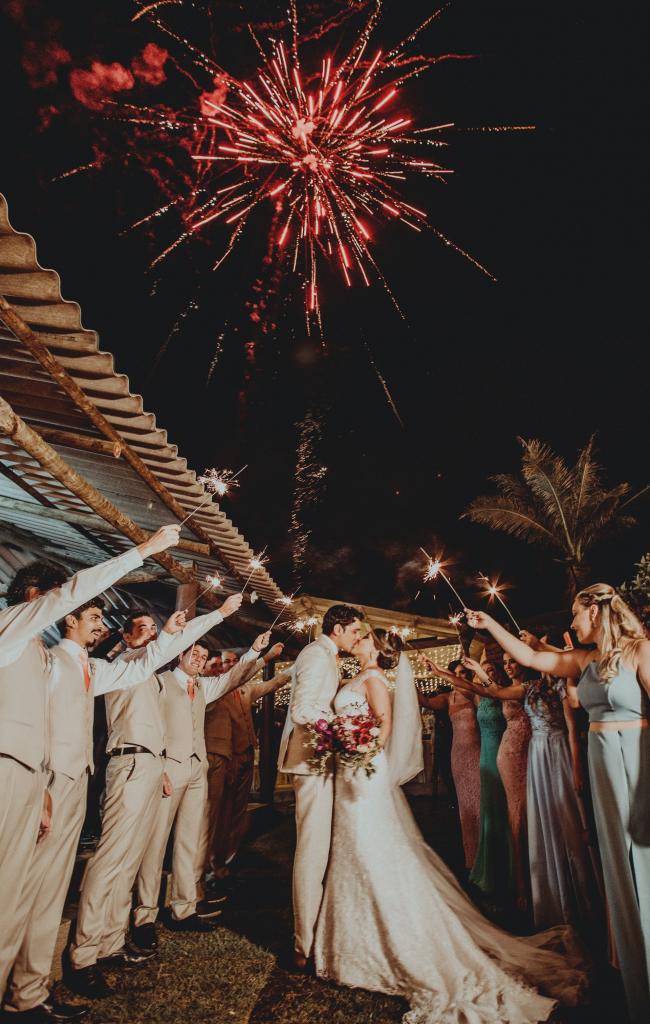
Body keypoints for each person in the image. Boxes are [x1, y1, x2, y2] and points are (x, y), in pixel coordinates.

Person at [313, 629, 588, 1024]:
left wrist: (360, 750)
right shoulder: (356, 675)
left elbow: (384, 725)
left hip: (363, 771)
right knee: (358, 848)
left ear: (373, 647)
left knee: (372, 848)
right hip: (354, 772)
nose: (358, 637)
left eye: (363, 635)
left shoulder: (373, 679)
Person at [0, 524, 181, 1000]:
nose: (87, 616)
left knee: (40, 893)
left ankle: (29, 993)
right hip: (19, 773)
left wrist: (176, 635)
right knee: (10, 893)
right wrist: (142, 551)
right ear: (38, 597)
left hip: (52, 780)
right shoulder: (15, 633)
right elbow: (78, 591)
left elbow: (136, 667)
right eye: (59, 598)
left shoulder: (51, 656)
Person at [466, 585, 650, 1023]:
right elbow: (533, 660)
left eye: (576, 614)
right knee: (618, 868)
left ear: (597, 611)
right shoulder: (585, 660)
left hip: (638, 764)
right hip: (603, 765)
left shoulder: (642, 650)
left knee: (643, 857)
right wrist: (490, 623)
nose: (571, 623)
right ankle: (634, 971)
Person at [66, 591, 243, 999]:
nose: (150, 637)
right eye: (141, 631)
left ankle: (110, 943)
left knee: (129, 861)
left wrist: (163, 766)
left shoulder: (149, 676)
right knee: (110, 860)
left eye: (152, 630)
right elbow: (167, 648)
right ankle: (83, 954)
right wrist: (216, 614)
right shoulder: (125, 666)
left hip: (151, 766)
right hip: (127, 765)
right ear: (127, 639)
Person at [131, 632, 282, 949]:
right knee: (156, 844)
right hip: (169, 769)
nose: (199, 659)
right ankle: (144, 915)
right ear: (179, 656)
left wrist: (254, 650)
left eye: (202, 655)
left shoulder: (204, 687)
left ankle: (183, 908)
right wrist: (158, 768)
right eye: (194, 654)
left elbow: (234, 677)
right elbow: (151, 725)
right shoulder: (161, 683)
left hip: (198, 770)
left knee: (192, 840)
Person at [460, 652, 598, 934]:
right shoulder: (529, 688)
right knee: (531, 817)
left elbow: (572, 728)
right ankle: (536, 887)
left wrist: (576, 768)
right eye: (508, 660)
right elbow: (492, 691)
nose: (511, 664)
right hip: (528, 754)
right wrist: (469, 672)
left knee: (564, 818)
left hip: (552, 752)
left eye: (516, 660)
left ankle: (576, 889)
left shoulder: (555, 686)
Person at [278, 603, 364, 970]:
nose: (358, 637)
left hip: (320, 761)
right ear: (339, 628)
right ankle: (305, 943)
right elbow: (301, 710)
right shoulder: (315, 655)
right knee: (311, 850)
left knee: (321, 848)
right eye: (356, 630)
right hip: (309, 763)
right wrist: (342, 728)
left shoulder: (327, 656)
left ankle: (315, 933)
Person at [204, 643, 291, 884]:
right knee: (219, 812)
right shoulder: (215, 689)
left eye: (233, 661)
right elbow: (243, 672)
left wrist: (296, 669)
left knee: (238, 813)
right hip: (225, 757)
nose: (230, 665)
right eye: (226, 662)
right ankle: (213, 862)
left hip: (245, 755)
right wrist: (267, 656)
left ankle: (229, 856)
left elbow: (272, 684)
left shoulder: (245, 691)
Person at [419, 660, 481, 872]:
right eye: (457, 673)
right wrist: (408, 681)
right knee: (464, 804)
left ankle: (487, 853)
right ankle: (471, 856)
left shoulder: (475, 694)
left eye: (464, 673)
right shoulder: (448, 698)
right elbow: (426, 702)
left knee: (480, 802)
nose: (461, 676)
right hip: (458, 754)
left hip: (478, 752)